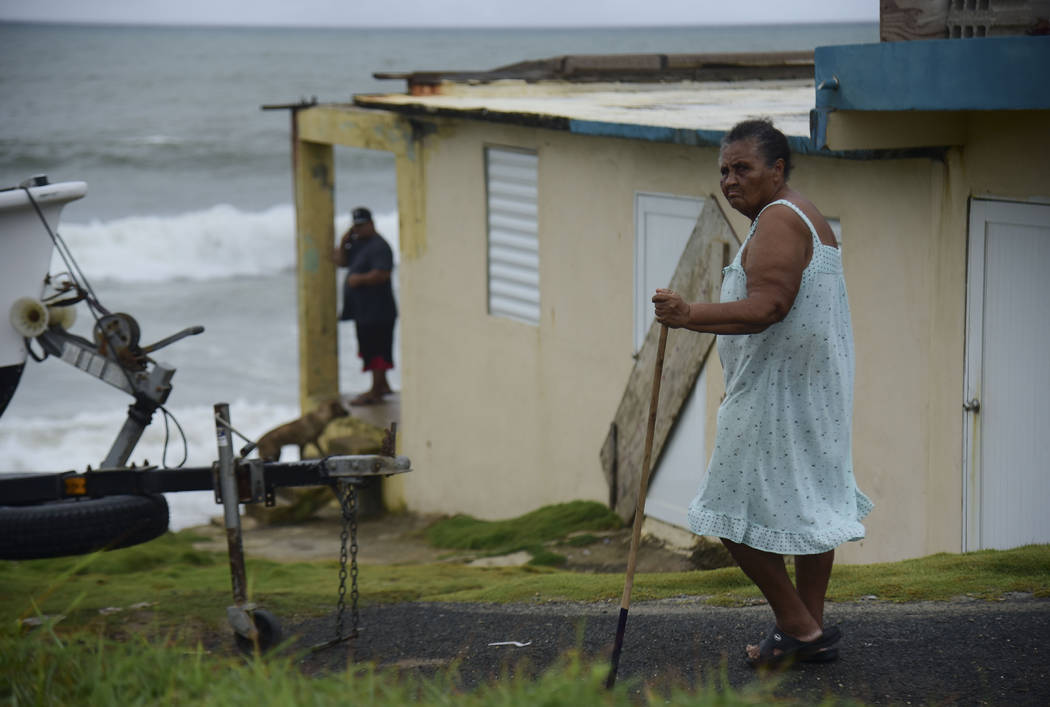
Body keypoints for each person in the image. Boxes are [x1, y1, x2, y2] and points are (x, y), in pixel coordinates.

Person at [653, 119, 872, 668]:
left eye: (742, 168)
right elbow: (772, 317)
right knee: (810, 509)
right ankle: (806, 632)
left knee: (721, 513)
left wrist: (689, 314)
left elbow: (769, 307)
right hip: (811, 390)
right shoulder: (795, 214)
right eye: (724, 170)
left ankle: (797, 626)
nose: (730, 180)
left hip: (778, 398)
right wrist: (694, 326)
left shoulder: (778, 220)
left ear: (777, 170)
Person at [333, 207, 398, 405]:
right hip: (362, 310)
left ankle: (375, 391)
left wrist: (358, 280)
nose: (359, 230)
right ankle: (383, 385)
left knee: (377, 351)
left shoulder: (380, 246)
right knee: (369, 349)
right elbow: (341, 262)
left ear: (371, 224)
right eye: (356, 227)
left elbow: (383, 273)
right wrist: (344, 242)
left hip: (379, 310)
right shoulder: (358, 244)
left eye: (362, 226)